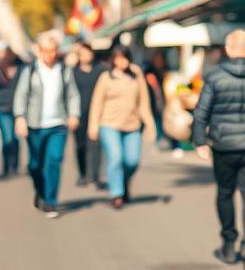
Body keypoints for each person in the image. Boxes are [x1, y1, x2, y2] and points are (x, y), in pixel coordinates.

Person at [192, 29, 245, 270]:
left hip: (224, 144)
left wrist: (200, 141)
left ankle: (229, 243)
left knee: (225, 192)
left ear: (228, 50)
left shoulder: (215, 77)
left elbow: (201, 113)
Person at [13, 32, 81, 217]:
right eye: (45, 51)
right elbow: (21, 95)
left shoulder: (64, 70)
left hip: (58, 124)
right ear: (39, 51)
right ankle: (40, 191)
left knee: (53, 161)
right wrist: (20, 117)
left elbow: (72, 94)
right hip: (35, 125)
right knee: (35, 165)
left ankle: (50, 201)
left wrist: (74, 114)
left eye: (52, 51)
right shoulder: (31, 70)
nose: (49, 55)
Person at [87, 44, 156, 208]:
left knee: (132, 161)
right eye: (118, 58)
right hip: (109, 124)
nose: (122, 61)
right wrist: (93, 125)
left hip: (132, 125)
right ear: (113, 59)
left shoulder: (136, 74)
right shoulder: (106, 77)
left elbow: (144, 102)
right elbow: (97, 103)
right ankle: (116, 193)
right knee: (116, 157)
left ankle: (123, 183)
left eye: (124, 57)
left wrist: (149, 124)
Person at [0, 48, 23, 177]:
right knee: (7, 137)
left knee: (15, 137)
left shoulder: (21, 69)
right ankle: (7, 165)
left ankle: (14, 164)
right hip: (2, 107)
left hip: (18, 108)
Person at [72, 41, 103, 186]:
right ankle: (82, 173)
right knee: (80, 145)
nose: (86, 56)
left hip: (97, 113)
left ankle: (95, 176)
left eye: (88, 53)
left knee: (95, 144)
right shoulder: (73, 72)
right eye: (83, 54)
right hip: (79, 114)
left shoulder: (100, 70)